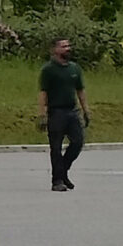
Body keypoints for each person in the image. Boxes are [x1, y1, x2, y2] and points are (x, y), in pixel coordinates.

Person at [38, 38, 88, 191]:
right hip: (56, 112)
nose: (68, 48)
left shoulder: (75, 69)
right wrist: (42, 114)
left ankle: (63, 170)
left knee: (78, 142)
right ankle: (57, 180)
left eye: (68, 45)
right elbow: (43, 93)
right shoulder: (48, 70)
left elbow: (80, 90)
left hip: (72, 111)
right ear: (55, 50)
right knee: (56, 147)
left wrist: (86, 110)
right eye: (64, 46)